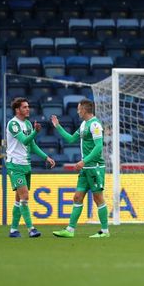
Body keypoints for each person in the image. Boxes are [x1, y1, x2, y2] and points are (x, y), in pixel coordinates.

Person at [51, 99, 109, 238]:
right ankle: (70, 230)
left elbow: (99, 147)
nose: (77, 111)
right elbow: (71, 139)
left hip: (94, 167)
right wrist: (58, 126)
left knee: (98, 198)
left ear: (84, 109)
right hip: (86, 168)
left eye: (79, 109)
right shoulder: (84, 124)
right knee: (77, 197)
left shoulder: (95, 125)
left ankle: (105, 231)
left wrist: (84, 161)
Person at [7, 97, 56, 238]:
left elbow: (32, 145)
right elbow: (24, 140)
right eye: (24, 107)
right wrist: (35, 132)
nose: (28, 109)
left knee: (18, 198)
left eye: (28, 106)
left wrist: (46, 157)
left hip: (25, 164)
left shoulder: (28, 124)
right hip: (14, 164)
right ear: (17, 110)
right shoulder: (13, 124)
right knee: (25, 196)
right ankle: (31, 229)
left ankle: (13, 230)